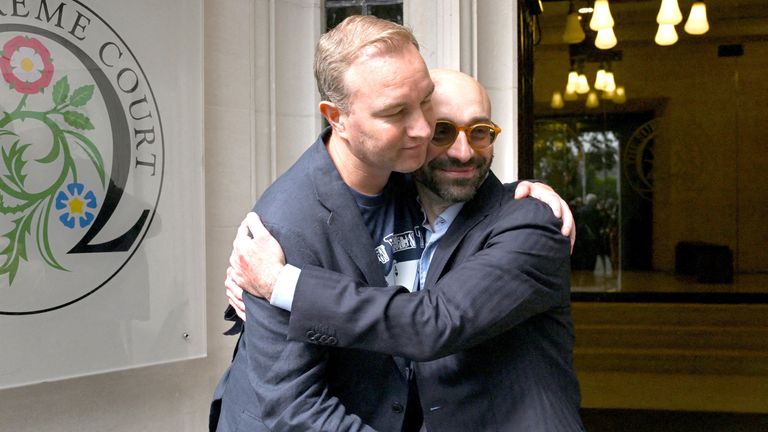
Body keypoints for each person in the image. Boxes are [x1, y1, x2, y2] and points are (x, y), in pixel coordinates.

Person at [212, 16, 573, 432]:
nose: (421, 130)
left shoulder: (408, 173)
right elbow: (294, 408)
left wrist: (528, 194)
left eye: (425, 104)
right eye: (399, 113)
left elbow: (432, 317)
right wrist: (268, 286)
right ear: (338, 118)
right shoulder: (284, 228)